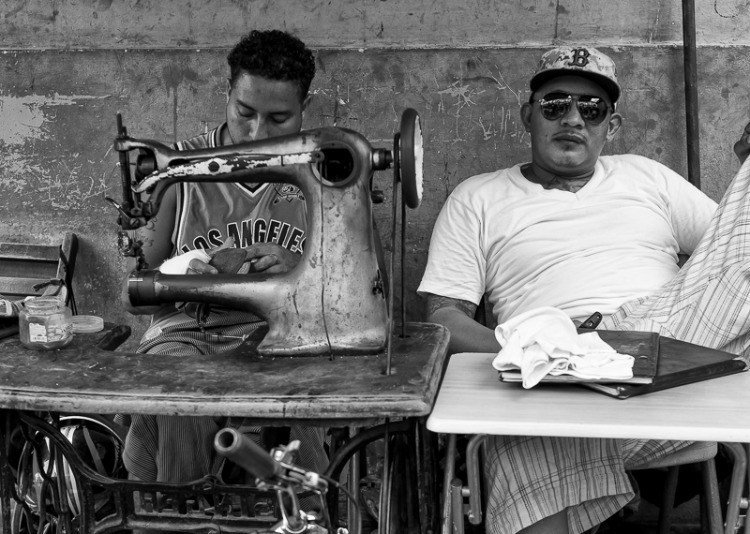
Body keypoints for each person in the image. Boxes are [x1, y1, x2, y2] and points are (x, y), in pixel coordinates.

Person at [418, 45, 750, 534]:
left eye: (591, 109)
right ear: (527, 116)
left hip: (675, 351)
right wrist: (533, 352)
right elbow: (442, 318)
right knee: (523, 440)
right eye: (555, 105)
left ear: (610, 126)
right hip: (559, 366)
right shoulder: (479, 196)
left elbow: (728, 258)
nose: (572, 118)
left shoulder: (645, 176)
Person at [120, 29, 327, 487]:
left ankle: (296, 511)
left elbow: (362, 295)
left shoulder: (325, 172)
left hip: (279, 332)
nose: (256, 133)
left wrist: (299, 272)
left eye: (279, 118)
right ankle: (181, 509)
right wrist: (178, 277)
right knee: (180, 394)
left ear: (304, 111)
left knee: (292, 402)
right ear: (226, 96)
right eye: (244, 113)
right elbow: (135, 299)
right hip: (185, 330)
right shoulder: (181, 168)